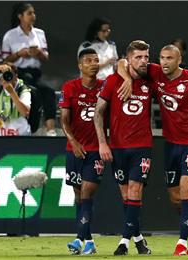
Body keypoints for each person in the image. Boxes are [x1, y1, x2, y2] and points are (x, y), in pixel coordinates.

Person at [117, 45, 188, 256]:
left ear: (179, 59)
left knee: (185, 189)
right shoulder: (155, 72)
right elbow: (122, 63)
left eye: (169, 58)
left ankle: (182, 242)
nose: (164, 62)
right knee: (175, 199)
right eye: (161, 58)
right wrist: (127, 79)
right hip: (171, 144)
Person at [94, 40, 153, 256]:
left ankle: (124, 242)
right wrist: (102, 142)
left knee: (135, 191)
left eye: (146, 56)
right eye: (138, 57)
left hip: (142, 146)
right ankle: (138, 240)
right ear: (129, 59)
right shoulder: (112, 81)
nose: (144, 61)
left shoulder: (151, 80)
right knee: (127, 197)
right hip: (118, 147)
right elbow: (98, 112)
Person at [59, 45, 105, 255]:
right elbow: (64, 120)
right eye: (89, 61)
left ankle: (81, 239)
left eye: (96, 60)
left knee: (87, 191)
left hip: (96, 149)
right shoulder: (69, 87)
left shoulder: (106, 87)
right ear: (80, 65)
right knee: (79, 195)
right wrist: (74, 141)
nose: (94, 64)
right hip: (74, 149)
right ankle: (87, 240)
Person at [2, 2, 57, 136]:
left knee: (49, 91)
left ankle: (50, 129)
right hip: (18, 73)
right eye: (29, 13)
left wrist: (38, 53)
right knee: (32, 90)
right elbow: (5, 61)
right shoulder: (10, 35)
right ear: (20, 16)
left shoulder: (39, 33)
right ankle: (30, 128)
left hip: (36, 73)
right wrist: (19, 54)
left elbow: (45, 59)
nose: (33, 16)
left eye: (34, 13)